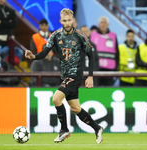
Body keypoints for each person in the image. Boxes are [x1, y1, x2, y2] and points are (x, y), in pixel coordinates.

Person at [25, 8, 103, 143]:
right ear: (60, 21)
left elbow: (91, 55)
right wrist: (34, 56)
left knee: (56, 99)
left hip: (75, 75)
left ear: (73, 21)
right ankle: (97, 128)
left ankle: (64, 129)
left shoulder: (80, 36)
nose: (67, 23)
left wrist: (90, 76)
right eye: (64, 21)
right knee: (75, 108)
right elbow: (45, 52)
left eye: (69, 21)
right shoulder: (55, 35)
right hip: (65, 75)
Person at [90, 16, 119, 86]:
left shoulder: (113, 36)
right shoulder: (93, 35)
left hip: (109, 69)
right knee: (95, 90)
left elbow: (117, 53)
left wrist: (116, 68)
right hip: (96, 69)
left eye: (105, 23)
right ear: (98, 24)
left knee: (108, 91)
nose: (103, 24)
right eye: (101, 22)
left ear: (108, 24)